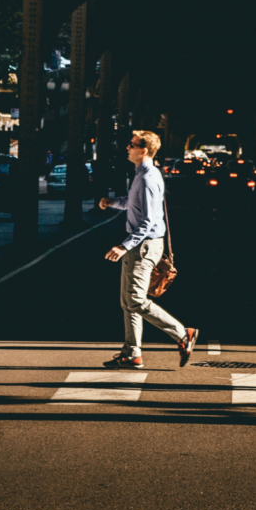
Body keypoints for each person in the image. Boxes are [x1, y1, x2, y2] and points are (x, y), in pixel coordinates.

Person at [98, 130, 198, 369]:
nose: (127, 148)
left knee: (134, 299)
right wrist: (113, 202)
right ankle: (132, 353)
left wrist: (124, 246)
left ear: (143, 150)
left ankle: (183, 333)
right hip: (142, 244)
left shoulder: (146, 178)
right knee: (128, 301)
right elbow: (135, 205)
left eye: (131, 145)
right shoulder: (142, 175)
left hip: (143, 245)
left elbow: (148, 220)